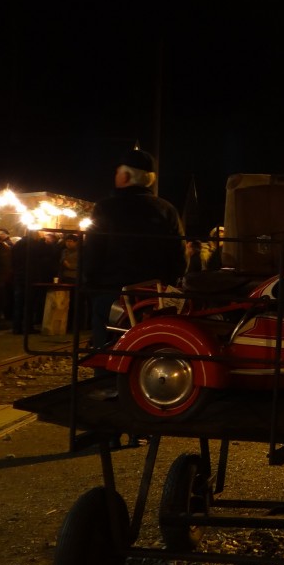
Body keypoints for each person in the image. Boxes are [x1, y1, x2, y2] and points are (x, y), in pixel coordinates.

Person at [82, 147, 186, 388]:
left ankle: (108, 393)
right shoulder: (166, 209)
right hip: (152, 296)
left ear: (126, 177)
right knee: (148, 347)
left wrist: (90, 286)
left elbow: (93, 253)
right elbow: (179, 258)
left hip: (111, 293)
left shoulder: (105, 208)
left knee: (107, 345)